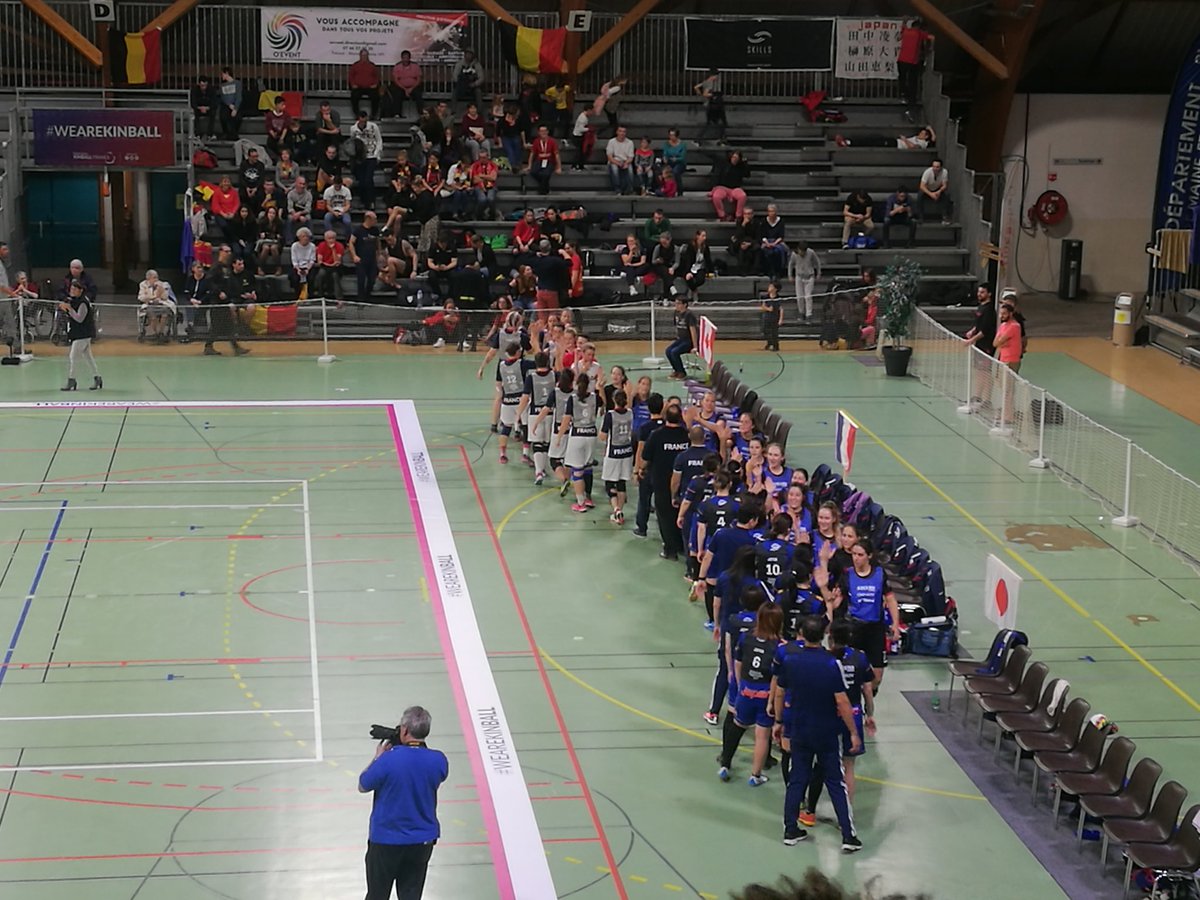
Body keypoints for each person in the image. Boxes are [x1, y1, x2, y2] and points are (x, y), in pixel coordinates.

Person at [773, 615, 862, 851]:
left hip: (800, 729)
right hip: (827, 732)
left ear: (801, 632)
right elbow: (842, 702)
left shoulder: (791, 661)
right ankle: (848, 835)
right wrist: (853, 731)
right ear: (824, 634)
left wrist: (779, 721)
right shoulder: (831, 664)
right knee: (835, 781)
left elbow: (780, 693)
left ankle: (790, 829)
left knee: (797, 780)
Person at [358, 705, 448, 900]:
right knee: (411, 896)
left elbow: (363, 784)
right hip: (421, 841)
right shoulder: (439, 760)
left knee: (377, 895)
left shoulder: (388, 760)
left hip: (386, 840)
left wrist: (378, 757)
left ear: (404, 730)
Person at [799, 617, 876, 826]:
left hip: (828, 714)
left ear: (830, 637)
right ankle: (845, 816)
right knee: (849, 767)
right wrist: (869, 714)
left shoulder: (824, 659)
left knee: (821, 765)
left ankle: (810, 810)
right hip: (853, 711)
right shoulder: (860, 658)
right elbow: (868, 689)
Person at [639, 406, 690, 560]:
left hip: (661, 482)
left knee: (664, 515)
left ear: (665, 417)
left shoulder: (656, 435)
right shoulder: (685, 435)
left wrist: (641, 469)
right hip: (682, 483)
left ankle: (670, 549)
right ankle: (681, 546)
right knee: (679, 514)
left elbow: (646, 456)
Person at [559, 371, 600, 512]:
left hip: (577, 435)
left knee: (577, 471)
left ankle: (580, 502)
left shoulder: (573, 398)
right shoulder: (595, 397)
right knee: (588, 468)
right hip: (591, 435)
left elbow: (566, 419)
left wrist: (559, 436)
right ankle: (588, 498)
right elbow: (602, 408)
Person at [58, 279, 101, 391]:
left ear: (80, 290)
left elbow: (79, 318)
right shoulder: (75, 300)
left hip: (83, 334)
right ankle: (97, 378)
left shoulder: (83, 303)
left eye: (74, 289)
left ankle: (71, 380)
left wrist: (69, 309)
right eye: (71, 289)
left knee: (73, 356)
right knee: (88, 357)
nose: (72, 291)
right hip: (80, 333)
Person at [897, 17, 935, 120]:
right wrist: (930, 48)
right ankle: (911, 100)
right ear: (919, 27)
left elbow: (903, 27)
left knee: (902, 78)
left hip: (901, 59)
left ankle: (903, 94)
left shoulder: (906, 31)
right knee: (913, 82)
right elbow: (931, 37)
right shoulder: (919, 33)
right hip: (913, 61)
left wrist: (904, 20)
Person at [350, 111, 384, 210]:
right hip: (360, 158)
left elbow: (379, 140)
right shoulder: (353, 129)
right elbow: (352, 143)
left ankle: (371, 201)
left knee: (368, 179)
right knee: (361, 180)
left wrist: (377, 154)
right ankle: (363, 201)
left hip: (371, 156)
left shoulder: (374, 127)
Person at [710, 150, 750, 221]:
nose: (735, 159)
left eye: (737, 158)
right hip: (722, 187)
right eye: (734, 157)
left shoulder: (741, 167)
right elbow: (716, 176)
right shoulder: (723, 165)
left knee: (742, 196)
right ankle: (722, 215)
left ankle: (738, 216)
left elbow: (747, 174)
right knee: (716, 196)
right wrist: (714, 189)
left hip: (735, 188)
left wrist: (745, 164)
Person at [137, 269, 175, 344]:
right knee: (152, 316)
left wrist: (160, 289)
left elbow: (165, 297)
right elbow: (141, 297)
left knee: (165, 314)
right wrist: (153, 297)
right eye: (154, 278)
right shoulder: (143, 285)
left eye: (157, 277)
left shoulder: (163, 284)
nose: (156, 279)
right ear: (148, 279)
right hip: (150, 305)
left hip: (162, 304)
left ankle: (160, 333)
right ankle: (157, 333)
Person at [665, 295, 698, 380]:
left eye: (678, 303)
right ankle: (676, 370)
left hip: (688, 341)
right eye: (675, 303)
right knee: (668, 351)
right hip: (681, 339)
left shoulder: (689, 315)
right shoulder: (676, 313)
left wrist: (695, 347)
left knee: (674, 352)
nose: (676, 305)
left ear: (685, 304)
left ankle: (682, 372)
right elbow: (677, 327)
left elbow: (693, 330)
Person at [787, 240, 821, 323]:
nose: (802, 253)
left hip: (809, 277)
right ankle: (801, 312)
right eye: (801, 251)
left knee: (808, 296)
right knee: (800, 297)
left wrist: (818, 273)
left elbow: (817, 262)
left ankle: (809, 314)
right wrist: (790, 275)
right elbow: (791, 265)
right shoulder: (794, 254)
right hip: (799, 277)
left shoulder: (811, 252)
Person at [675, 230, 712, 301]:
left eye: (705, 236)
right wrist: (688, 272)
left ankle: (692, 289)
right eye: (703, 236)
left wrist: (711, 270)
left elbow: (708, 259)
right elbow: (688, 260)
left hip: (700, 267)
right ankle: (694, 291)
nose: (705, 238)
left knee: (700, 279)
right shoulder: (691, 246)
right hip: (691, 267)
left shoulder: (705, 247)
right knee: (688, 278)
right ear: (698, 236)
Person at [694, 69, 727, 143]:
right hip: (711, 106)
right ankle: (721, 139)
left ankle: (721, 139)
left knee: (717, 123)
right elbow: (705, 93)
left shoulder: (706, 81)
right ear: (713, 76)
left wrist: (700, 95)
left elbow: (696, 87)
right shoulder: (710, 83)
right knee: (718, 123)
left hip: (708, 105)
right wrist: (714, 95)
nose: (717, 78)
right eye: (716, 76)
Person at [526, 124, 560, 196]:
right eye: (541, 131)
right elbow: (532, 154)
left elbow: (557, 155)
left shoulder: (552, 141)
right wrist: (529, 165)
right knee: (533, 172)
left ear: (548, 132)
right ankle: (545, 186)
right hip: (539, 160)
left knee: (545, 174)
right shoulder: (536, 141)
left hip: (549, 161)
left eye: (545, 131)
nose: (543, 133)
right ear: (538, 132)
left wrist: (558, 167)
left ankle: (542, 191)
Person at [833, 125, 935, 149]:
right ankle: (848, 141)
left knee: (872, 142)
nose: (919, 134)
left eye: (922, 134)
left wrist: (904, 139)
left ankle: (848, 143)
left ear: (926, 137)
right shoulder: (918, 137)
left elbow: (913, 148)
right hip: (895, 140)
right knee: (873, 137)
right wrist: (930, 129)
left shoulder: (923, 143)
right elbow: (930, 130)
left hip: (896, 144)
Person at [389, 50, 423, 119]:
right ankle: (397, 114)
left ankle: (422, 114)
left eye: (407, 58)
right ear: (401, 58)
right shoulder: (397, 67)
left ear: (409, 58)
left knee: (418, 94)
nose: (405, 59)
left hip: (414, 87)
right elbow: (396, 80)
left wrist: (411, 88)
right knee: (397, 94)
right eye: (404, 58)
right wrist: (405, 89)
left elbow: (418, 79)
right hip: (401, 87)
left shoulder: (415, 66)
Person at [349, 48, 381, 119]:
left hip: (370, 87)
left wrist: (375, 84)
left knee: (375, 97)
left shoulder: (372, 65)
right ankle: (357, 114)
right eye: (363, 55)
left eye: (365, 55)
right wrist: (353, 84)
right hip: (358, 87)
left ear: (368, 56)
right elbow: (351, 76)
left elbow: (377, 76)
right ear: (360, 56)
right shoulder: (355, 65)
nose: (364, 57)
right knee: (354, 96)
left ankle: (373, 115)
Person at [918, 158, 952, 223]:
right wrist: (931, 194)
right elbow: (922, 186)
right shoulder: (927, 172)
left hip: (937, 189)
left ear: (941, 167)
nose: (935, 169)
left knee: (947, 195)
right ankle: (920, 217)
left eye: (937, 167)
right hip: (927, 190)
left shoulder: (944, 172)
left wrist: (938, 192)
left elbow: (944, 185)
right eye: (934, 166)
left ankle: (945, 216)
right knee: (920, 195)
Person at [759, 204, 787, 279]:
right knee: (765, 251)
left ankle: (779, 271)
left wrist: (774, 243)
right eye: (770, 211)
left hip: (777, 241)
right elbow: (762, 234)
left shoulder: (781, 221)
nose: (772, 213)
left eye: (773, 211)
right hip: (766, 241)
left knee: (780, 251)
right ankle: (768, 271)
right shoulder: (764, 221)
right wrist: (767, 243)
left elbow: (781, 235)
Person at [728, 207, 760, 274]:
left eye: (749, 214)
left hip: (752, 242)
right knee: (741, 248)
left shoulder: (756, 223)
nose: (747, 216)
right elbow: (737, 236)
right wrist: (743, 225)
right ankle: (741, 270)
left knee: (757, 248)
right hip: (741, 241)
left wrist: (750, 244)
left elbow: (758, 237)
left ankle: (755, 270)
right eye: (745, 214)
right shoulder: (740, 222)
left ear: (752, 215)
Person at [605, 125, 635, 195]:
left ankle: (629, 189)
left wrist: (626, 163)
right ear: (617, 132)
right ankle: (617, 189)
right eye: (620, 131)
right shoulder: (611, 142)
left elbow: (630, 157)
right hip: (614, 161)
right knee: (614, 169)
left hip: (625, 161)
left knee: (630, 170)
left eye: (624, 132)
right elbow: (609, 156)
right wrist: (618, 163)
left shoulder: (630, 142)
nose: (622, 133)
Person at [217, 67, 242, 139]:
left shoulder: (237, 83)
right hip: (226, 106)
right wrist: (229, 105)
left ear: (227, 73)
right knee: (223, 117)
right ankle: (226, 133)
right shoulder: (222, 86)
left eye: (223, 74)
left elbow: (238, 96)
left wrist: (235, 108)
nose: (222, 76)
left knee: (237, 118)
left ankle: (234, 134)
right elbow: (223, 97)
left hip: (235, 105)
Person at [190, 74, 217, 139]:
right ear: (199, 84)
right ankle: (198, 134)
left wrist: (207, 108)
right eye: (202, 86)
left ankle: (210, 134)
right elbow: (193, 102)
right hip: (198, 109)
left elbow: (214, 102)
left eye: (205, 85)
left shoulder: (212, 90)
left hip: (208, 108)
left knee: (213, 112)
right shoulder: (194, 90)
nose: (203, 87)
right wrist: (200, 108)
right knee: (194, 113)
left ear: (207, 84)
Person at [662, 127, 687, 194]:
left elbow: (683, 157)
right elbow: (665, 153)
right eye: (670, 135)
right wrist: (665, 158)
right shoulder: (666, 144)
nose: (671, 137)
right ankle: (665, 190)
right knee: (663, 170)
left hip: (680, 163)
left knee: (675, 172)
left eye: (673, 135)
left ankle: (679, 190)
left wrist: (676, 159)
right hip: (670, 162)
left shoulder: (682, 144)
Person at [760, 281, 783, 352]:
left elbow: (781, 309)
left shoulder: (778, 298)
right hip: (767, 317)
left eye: (771, 287)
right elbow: (762, 306)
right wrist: (768, 309)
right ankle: (769, 342)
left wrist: (781, 319)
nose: (769, 288)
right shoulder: (766, 297)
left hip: (775, 317)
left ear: (775, 289)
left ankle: (776, 346)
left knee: (774, 332)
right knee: (764, 330)